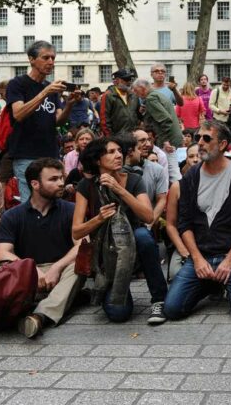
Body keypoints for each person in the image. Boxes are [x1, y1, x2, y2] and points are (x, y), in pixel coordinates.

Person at [163, 120, 231, 320]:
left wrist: (230, 259)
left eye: (207, 138)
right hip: (202, 254)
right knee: (172, 309)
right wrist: (196, 259)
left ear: (223, 145)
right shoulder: (190, 178)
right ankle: (210, 283)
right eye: (198, 138)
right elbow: (185, 224)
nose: (200, 143)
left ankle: (224, 280)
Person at [0, 158, 83, 338]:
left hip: (61, 271)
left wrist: (57, 268)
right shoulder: (13, 215)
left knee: (78, 267)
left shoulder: (71, 209)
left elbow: (82, 244)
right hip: (27, 275)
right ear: (35, 184)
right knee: (3, 270)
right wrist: (32, 269)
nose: (61, 183)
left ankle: (40, 316)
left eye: (61, 178)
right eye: (53, 179)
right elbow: (1, 253)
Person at [72, 136, 156, 323]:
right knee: (118, 314)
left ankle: (159, 298)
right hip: (108, 254)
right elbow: (77, 231)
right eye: (111, 152)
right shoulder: (86, 186)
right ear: (96, 160)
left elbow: (148, 216)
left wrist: (119, 190)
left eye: (119, 151)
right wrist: (98, 219)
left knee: (144, 236)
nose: (118, 155)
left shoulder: (134, 179)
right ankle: (113, 288)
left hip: (134, 246)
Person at [7, 40, 81, 202]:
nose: (51, 62)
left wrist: (69, 105)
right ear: (31, 59)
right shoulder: (18, 84)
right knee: (31, 204)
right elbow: (18, 114)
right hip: (26, 155)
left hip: (50, 154)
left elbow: (58, 121)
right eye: (45, 57)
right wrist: (44, 92)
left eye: (53, 58)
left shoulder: (52, 89)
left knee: (53, 202)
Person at [132, 78, 183, 184]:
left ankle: (177, 196)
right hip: (171, 136)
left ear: (142, 88)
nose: (135, 94)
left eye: (136, 91)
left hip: (168, 139)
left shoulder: (151, 98)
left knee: (172, 173)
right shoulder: (156, 95)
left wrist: (165, 140)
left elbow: (165, 120)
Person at [99, 68, 139, 137]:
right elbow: (104, 120)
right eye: (126, 79)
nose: (129, 82)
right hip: (117, 136)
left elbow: (138, 115)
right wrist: (110, 137)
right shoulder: (108, 96)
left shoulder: (134, 95)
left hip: (133, 135)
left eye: (130, 79)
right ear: (116, 81)